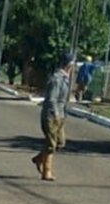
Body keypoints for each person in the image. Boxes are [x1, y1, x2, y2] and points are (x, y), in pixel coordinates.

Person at [33, 52, 74, 182]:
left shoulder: (65, 78)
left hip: (60, 115)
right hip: (51, 115)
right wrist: (56, 114)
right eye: (73, 63)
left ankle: (39, 158)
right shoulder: (57, 78)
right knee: (51, 144)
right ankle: (47, 172)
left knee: (60, 142)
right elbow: (51, 99)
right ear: (69, 64)